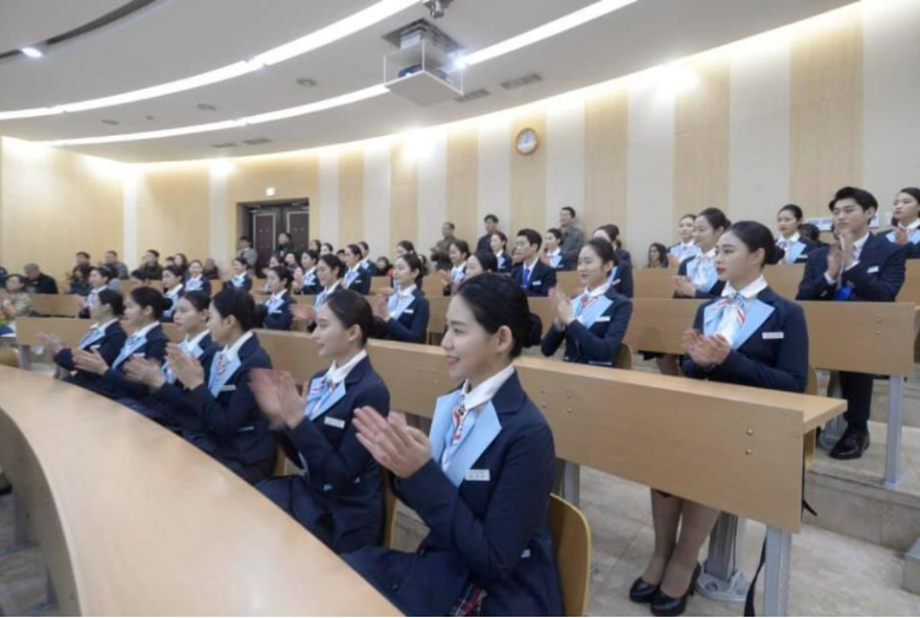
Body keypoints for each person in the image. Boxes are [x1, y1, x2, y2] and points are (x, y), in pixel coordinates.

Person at [345, 273, 563, 616]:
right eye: (447, 328)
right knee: (338, 573)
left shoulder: (528, 433)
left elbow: (494, 560)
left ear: (501, 339)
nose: (445, 342)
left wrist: (421, 474)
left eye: (459, 331)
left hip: (496, 593)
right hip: (447, 566)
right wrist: (400, 465)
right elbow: (436, 501)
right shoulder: (454, 402)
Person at [632, 221, 809, 617]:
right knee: (663, 450)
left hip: (749, 422)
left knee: (707, 458)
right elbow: (695, 371)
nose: (718, 258)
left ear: (757, 256)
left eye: (728, 251)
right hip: (703, 411)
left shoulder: (787, 313)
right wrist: (695, 362)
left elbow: (794, 383)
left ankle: (684, 559)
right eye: (718, 251)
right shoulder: (708, 307)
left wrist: (731, 361)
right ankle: (661, 553)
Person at [252, 291, 391, 552]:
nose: (314, 334)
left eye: (323, 326)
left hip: (347, 513)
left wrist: (298, 421)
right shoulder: (319, 379)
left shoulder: (371, 391)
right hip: (315, 496)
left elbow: (340, 476)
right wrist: (281, 421)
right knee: (254, 503)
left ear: (352, 333)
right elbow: (303, 458)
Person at [797, 186, 906, 460]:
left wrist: (852, 265)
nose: (841, 217)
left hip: (867, 330)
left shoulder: (890, 251)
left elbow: (884, 295)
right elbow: (803, 297)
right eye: (836, 212)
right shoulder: (819, 255)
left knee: (857, 352)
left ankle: (857, 428)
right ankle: (808, 420)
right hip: (824, 327)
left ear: (869, 212)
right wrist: (830, 275)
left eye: (848, 210)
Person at [146, 288, 277, 484]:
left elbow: (227, 425)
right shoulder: (216, 352)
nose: (207, 325)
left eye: (211, 318)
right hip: (213, 442)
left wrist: (196, 385)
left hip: (242, 455)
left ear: (229, 321)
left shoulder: (255, 361)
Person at [120, 291, 215, 430]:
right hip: (165, 411)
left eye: (183, 311)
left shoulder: (210, 350)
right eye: (176, 311)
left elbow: (194, 401)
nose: (176, 316)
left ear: (203, 314)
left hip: (185, 423)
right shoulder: (179, 345)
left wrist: (157, 382)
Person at [70, 287, 170, 404]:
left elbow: (143, 387)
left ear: (147, 310)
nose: (125, 311)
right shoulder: (136, 336)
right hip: (114, 392)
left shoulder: (158, 341)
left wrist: (104, 370)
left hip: (128, 401)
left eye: (130, 307)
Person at [541, 239, 633, 367]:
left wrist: (571, 321)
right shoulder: (573, 301)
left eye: (588, 262)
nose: (582, 268)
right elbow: (546, 350)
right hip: (569, 371)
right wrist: (559, 321)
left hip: (598, 374)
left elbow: (605, 351)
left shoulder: (620, 304)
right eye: (579, 263)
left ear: (607, 265)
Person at [40, 289, 127, 389]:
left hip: (94, 386)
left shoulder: (116, 335)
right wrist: (59, 352)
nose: (90, 307)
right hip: (83, 381)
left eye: (94, 302)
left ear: (106, 307)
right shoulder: (97, 330)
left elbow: (86, 363)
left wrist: (59, 350)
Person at [371, 253, 430, 344]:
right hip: (385, 346)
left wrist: (387, 318)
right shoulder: (390, 297)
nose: (395, 272)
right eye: (395, 268)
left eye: (401, 268)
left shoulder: (421, 302)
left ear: (414, 273)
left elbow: (415, 338)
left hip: (405, 350)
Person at [674, 208, 730, 300]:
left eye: (701, 230)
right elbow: (677, 301)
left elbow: (733, 301)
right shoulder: (686, 263)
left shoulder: (729, 262)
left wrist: (695, 293)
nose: (696, 234)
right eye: (694, 230)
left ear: (719, 231)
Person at [292, 254, 345, 330]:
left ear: (335, 270)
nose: (319, 274)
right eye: (317, 270)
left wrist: (315, 316)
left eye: (322, 270)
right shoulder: (320, 295)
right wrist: (308, 317)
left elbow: (337, 325)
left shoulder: (341, 295)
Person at [512, 229, 557, 297]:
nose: (518, 248)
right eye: (517, 244)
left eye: (522, 244)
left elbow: (545, 298)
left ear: (534, 247)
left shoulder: (547, 272)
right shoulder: (515, 271)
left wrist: (520, 292)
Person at [594, 225, 635, 298]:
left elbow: (627, 295)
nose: (598, 244)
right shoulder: (591, 266)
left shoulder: (623, 265)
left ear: (610, 243)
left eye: (602, 240)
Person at [885, 187, 920, 259]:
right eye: (895, 203)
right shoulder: (881, 237)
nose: (898, 206)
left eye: (906, 202)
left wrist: (906, 245)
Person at [259, 266, 295, 331]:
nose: (268, 282)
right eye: (267, 279)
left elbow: (281, 327)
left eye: (272, 278)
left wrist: (262, 312)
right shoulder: (267, 301)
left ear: (283, 281)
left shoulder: (290, 302)